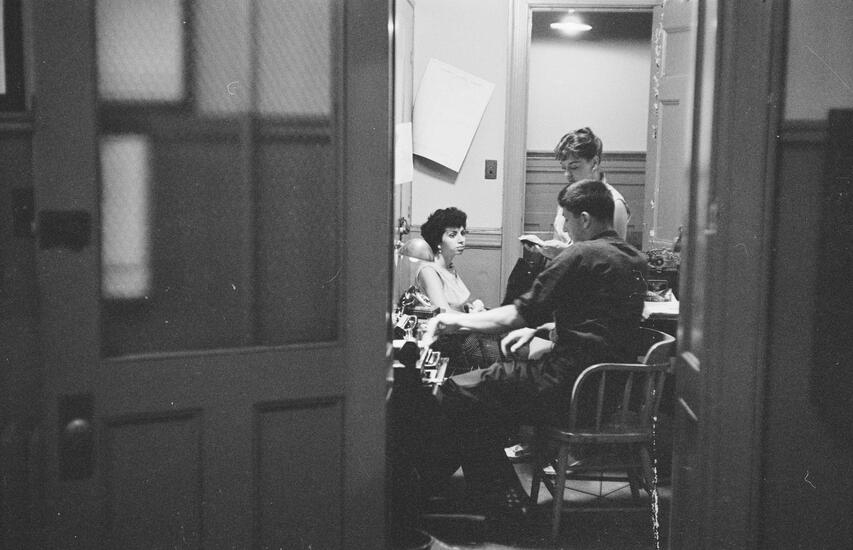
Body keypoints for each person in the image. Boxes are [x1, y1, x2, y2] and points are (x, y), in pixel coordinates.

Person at [420, 179, 648, 520]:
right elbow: (600, 322)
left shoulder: (580, 254)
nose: (565, 228)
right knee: (480, 405)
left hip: (565, 385)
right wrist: (540, 329)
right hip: (606, 391)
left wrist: (454, 321)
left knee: (459, 390)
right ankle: (488, 494)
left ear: (585, 219)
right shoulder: (633, 258)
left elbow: (515, 314)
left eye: (566, 219)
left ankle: (487, 498)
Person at [417, 207, 500, 373]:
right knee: (500, 351)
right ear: (438, 240)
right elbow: (444, 313)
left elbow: (456, 302)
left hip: (463, 332)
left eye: (463, 233)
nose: (461, 240)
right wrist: (478, 318)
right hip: (449, 341)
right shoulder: (429, 270)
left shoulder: (449, 266)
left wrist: (472, 308)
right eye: (453, 235)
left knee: (505, 337)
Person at [532, 127, 631, 260]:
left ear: (594, 162)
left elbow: (614, 260)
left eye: (574, 167)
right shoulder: (568, 197)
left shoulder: (615, 203)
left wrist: (566, 254)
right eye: (564, 168)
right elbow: (559, 238)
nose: (567, 175)